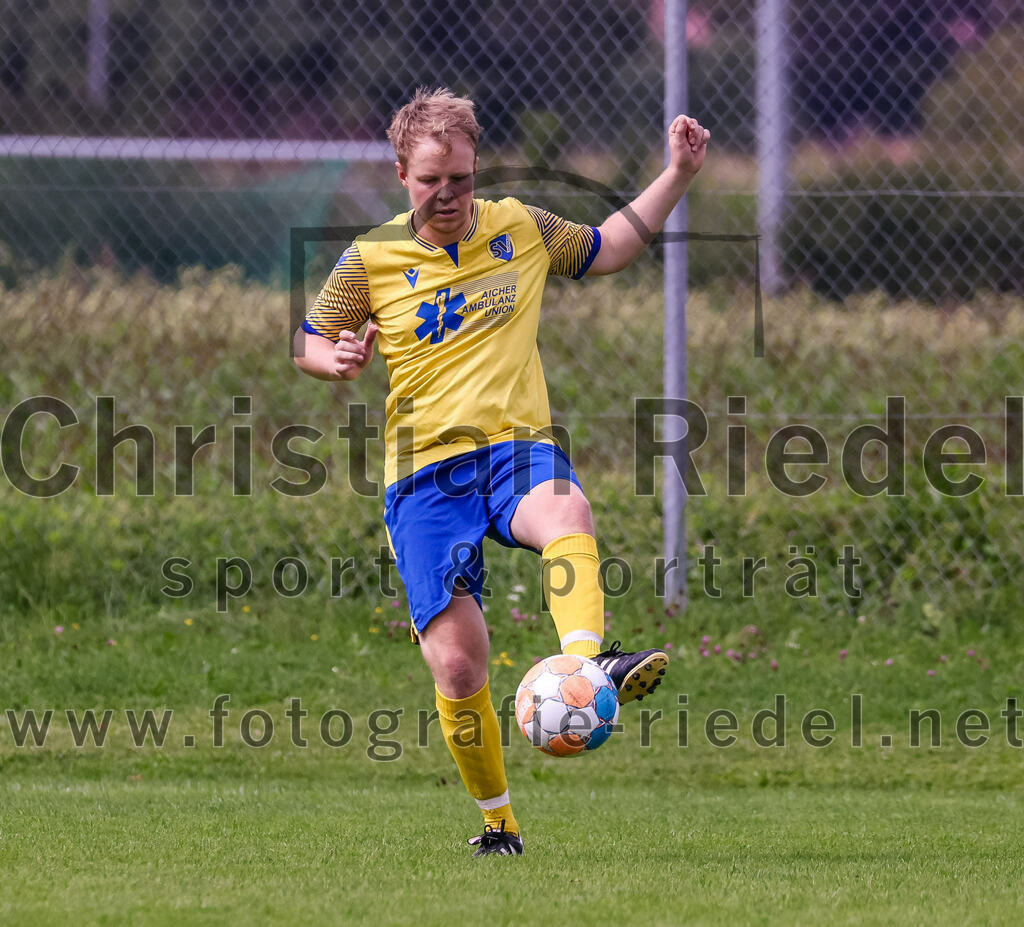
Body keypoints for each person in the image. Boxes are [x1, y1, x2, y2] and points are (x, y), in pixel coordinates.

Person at [294, 86, 709, 857]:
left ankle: (588, 664)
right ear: (400, 173)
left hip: (514, 445)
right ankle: (499, 825)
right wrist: (337, 357)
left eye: (460, 178)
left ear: (476, 167)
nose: (447, 194)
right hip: (423, 476)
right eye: (429, 180)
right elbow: (309, 336)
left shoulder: (519, 226)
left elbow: (607, 247)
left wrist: (678, 172)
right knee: (457, 663)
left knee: (566, 508)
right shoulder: (372, 258)